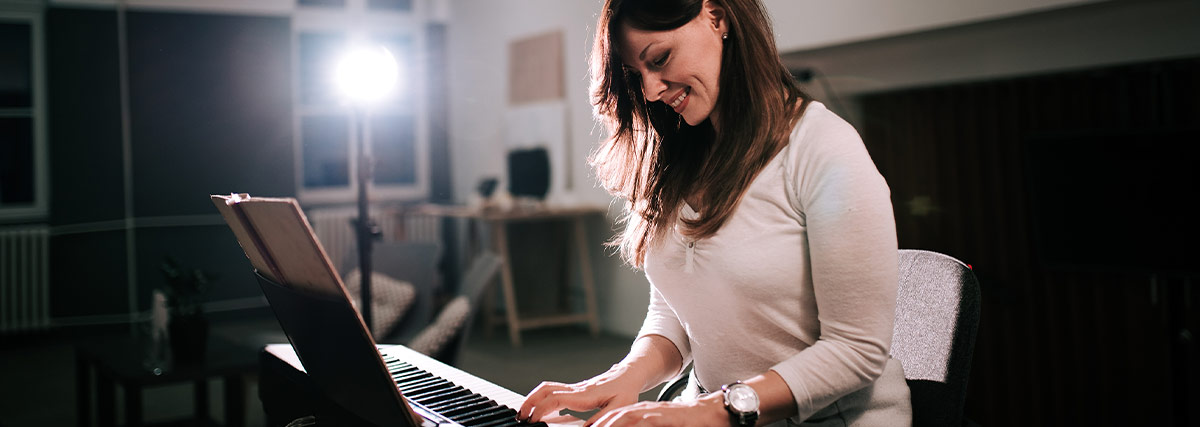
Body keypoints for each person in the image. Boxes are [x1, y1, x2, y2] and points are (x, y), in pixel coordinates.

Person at [519, 0, 911, 425]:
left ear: (717, 17)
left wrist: (714, 411)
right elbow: (678, 313)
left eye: (660, 59)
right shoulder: (682, 157)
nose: (650, 91)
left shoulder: (823, 148)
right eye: (638, 74)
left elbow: (857, 349)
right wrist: (623, 376)